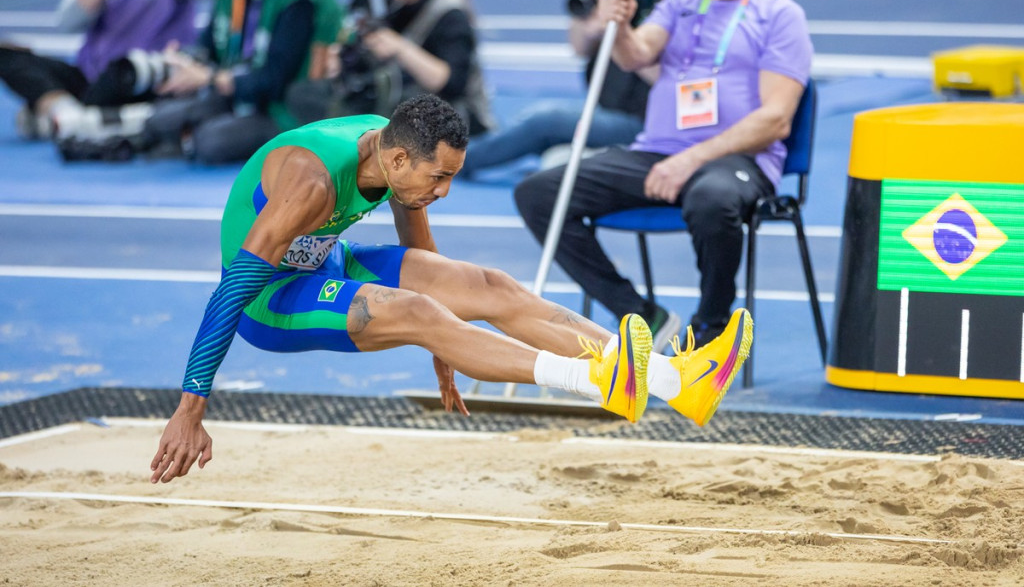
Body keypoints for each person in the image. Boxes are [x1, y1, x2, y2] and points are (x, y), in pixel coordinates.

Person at [148, 94, 753, 483]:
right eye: (438, 178)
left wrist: (448, 347)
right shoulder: (311, 183)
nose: (443, 191)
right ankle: (598, 382)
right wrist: (189, 408)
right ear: (399, 160)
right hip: (268, 299)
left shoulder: (391, 154)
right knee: (414, 309)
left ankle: (680, 384)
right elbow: (231, 292)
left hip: (326, 260)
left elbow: (427, 259)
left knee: (491, 286)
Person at [514, 0, 813, 354]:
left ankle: (710, 333)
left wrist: (691, 159)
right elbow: (635, 55)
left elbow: (776, 120)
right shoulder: (680, 4)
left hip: (738, 160)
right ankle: (642, 315)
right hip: (656, 153)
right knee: (538, 194)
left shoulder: (779, 15)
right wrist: (619, 24)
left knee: (711, 198)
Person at [459, 0, 700, 177]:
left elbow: (686, 81)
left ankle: (453, 162)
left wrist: (621, 33)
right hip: (609, 108)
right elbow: (578, 47)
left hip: (652, 122)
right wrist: (590, 20)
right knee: (548, 138)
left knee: (545, 121)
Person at [138, 0, 340, 164]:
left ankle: (186, 140)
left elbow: (275, 80)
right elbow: (210, 45)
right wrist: (184, 61)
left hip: (285, 109)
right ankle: (182, 138)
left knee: (211, 142)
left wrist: (209, 79)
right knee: (159, 120)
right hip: (240, 92)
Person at [0, 0, 216, 143]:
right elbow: (68, 22)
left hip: (146, 78)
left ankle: (62, 118)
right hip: (94, 78)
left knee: (126, 69)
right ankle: (73, 115)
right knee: (7, 54)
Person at [286, 0, 494, 137]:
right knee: (305, 94)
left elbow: (450, 83)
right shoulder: (388, 3)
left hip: (453, 114)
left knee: (402, 109)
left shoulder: (448, 10)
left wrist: (399, 48)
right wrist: (344, 61)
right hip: (400, 99)